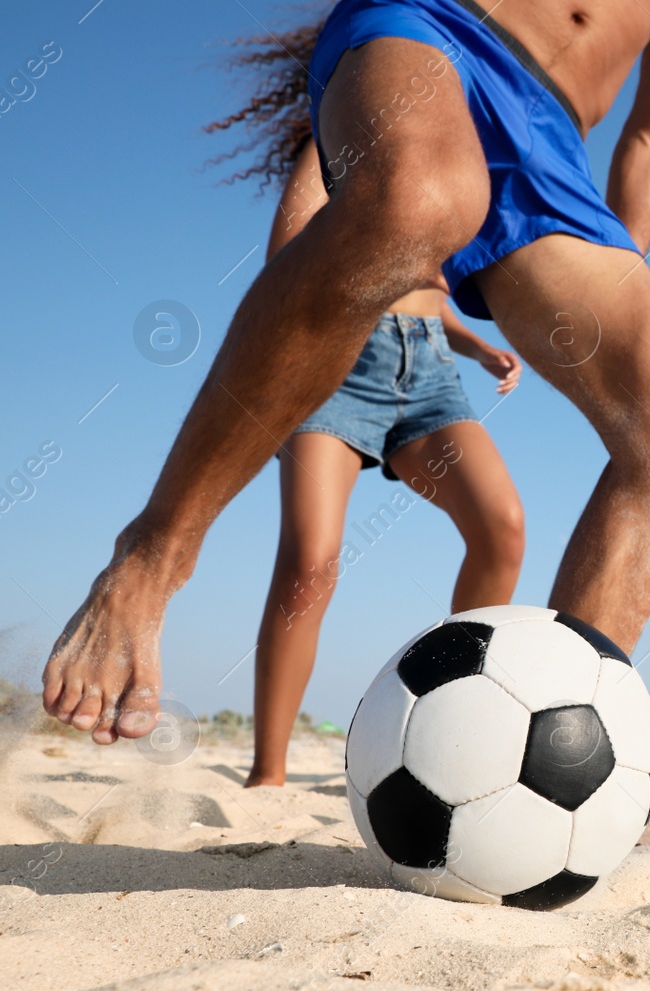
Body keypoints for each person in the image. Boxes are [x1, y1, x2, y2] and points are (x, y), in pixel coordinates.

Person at [42, 0, 650, 743]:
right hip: (434, 27)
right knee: (421, 201)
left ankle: (553, 750)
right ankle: (151, 557)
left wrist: (612, 279)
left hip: (551, 139)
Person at [207, 31, 526, 787]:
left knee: (501, 529)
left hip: (429, 371)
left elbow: (427, 292)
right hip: (338, 364)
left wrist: (479, 347)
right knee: (310, 565)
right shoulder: (325, 153)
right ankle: (269, 772)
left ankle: (454, 716)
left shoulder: (442, 154)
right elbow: (290, 262)